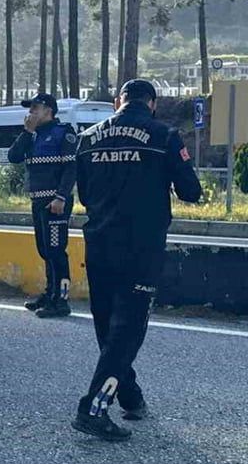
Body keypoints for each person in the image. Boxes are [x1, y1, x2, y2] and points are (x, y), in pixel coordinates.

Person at [71, 79, 201, 441]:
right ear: (153, 104)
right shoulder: (164, 135)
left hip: (97, 242)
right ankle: (93, 408)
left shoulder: (88, 138)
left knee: (107, 326)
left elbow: (84, 193)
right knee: (128, 331)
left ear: (118, 102)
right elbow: (191, 191)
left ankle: (130, 395)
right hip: (140, 247)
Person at [8, 92, 78, 318]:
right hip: (38, 201)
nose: (30, 113)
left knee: (57, 252)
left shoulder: (63, 133)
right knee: (45, 250)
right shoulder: (33, 135)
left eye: (34, 109)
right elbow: (14, 157)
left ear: (48, 110)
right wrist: (27, 132)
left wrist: (61, 197)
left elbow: (71, 169)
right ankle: (50, 294)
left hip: (55, 203)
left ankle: (61, 301)